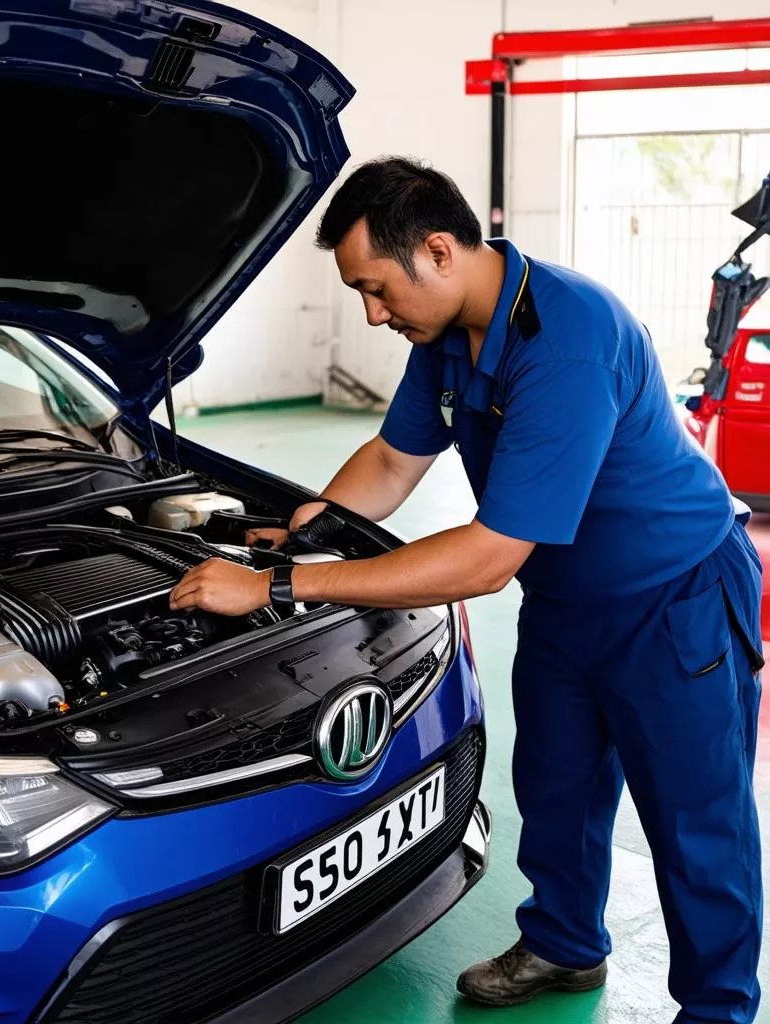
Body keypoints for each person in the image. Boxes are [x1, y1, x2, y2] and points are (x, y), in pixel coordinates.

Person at [168, 157, 764, 1023]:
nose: (373, 313)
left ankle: (718, 1009)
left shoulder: (567, 338)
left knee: (696, 825)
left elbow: (487, 559)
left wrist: (281, 584)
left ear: (438, 253)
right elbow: (390, 460)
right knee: (555, 786)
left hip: (673, 600)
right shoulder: (443, 335)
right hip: (567, 601)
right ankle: (564, 945)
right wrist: (311, 528)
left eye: (376, 289)